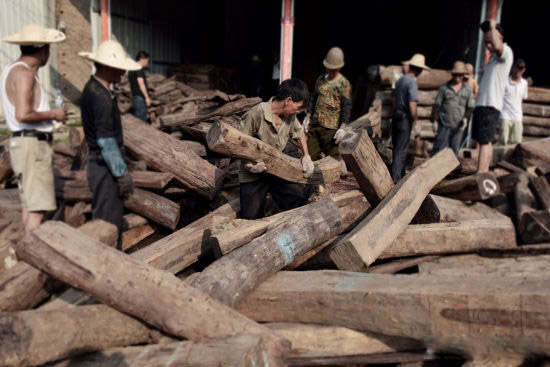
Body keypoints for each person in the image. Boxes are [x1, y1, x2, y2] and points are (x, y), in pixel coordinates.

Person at [0, 24, 67, 233]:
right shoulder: (24, 73)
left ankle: (26, 253)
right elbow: (23, 114)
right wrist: (54, 114)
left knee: (30, 205)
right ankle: (33, 253)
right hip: (32, 144)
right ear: (42, 49)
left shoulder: (14, 69)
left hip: (24, 143)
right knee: (38, 208)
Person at [79, 40, 141, 248]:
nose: (123, 72)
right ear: (107, 66)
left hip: (100, 165)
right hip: (104, 167)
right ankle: (106, 266)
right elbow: (106, 141)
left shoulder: (96, 90)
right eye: (120, 67)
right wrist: (121, 173)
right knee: (108, 223)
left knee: (106, 217)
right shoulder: (100, 97)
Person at [239, 78, 314, 220]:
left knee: (297, 203)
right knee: (251, 218)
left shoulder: (290, 117)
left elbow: (300, 134)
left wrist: (306, 156)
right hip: (253, 174)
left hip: (277, 169)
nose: (297, 112)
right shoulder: (256, 113)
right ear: (288, 100)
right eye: (297, 107)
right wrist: (248, 163)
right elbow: (240, 143)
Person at [472, 19, 513, 173]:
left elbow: (497, 45)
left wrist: (493, 26)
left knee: (485, 141)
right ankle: (483, 171)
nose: (488, 45)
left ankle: (481, 173)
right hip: (483, 104)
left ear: (499, 36)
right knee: (484, 140)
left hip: (490, 105)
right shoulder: (493, 59)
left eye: (489, 41)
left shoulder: (506, 52)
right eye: (486, 42)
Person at [306, 47, 352, 175]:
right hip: (315, 124)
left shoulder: (343, 84)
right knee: (310, 156)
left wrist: (343, 127)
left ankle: (326, 189)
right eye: (329, 68)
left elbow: (346, 107)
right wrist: (308, 117)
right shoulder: (320, 79)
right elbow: (313, 98)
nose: (330, 71)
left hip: (331, 128)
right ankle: (312, 186)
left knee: (332, 161)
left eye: (334, 69)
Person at [390, 53, 430, 182]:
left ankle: (399, 176)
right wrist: (417, 121)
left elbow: (394, 100)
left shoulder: (401, 80)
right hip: (404, 119)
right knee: (401, 150)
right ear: (419, 69)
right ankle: (395, 179)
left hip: (397, 115)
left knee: (397, 147)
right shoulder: (412, 82)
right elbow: (412, 105)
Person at [430, 61, 475, 156]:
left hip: (459, 125)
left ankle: (451, 171)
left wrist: (466, 118)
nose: (457, 77)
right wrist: (434, 120)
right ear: (452, 74)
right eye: (455, 75)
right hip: (444, 123)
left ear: (463, 75)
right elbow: (437, 105)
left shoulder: (467, 89)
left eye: (460, 75)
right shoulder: (444, 88)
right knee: (438, 150)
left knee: (454, 151)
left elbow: (470, 107)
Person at [499, 58, 528, 145]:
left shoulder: (524, 83)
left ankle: (512, 159)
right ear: (513, 68)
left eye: (521, 68)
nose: (518, 70)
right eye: (517, 68)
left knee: (517, 142)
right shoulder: (505, 81)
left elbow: (523, 97)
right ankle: (501, 158)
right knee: (503, 141)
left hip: (517, 116)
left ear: (524, 70)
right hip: (505, 115)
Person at [128, 50, 151, 122]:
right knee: (140, 122)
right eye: (147, 61)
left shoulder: (131, 69)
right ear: (143, 60)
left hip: (134, 97)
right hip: (140, 98)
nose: (147, 63)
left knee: (136, 121)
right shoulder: (139, 68)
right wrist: (147, 97)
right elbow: (141, 83)